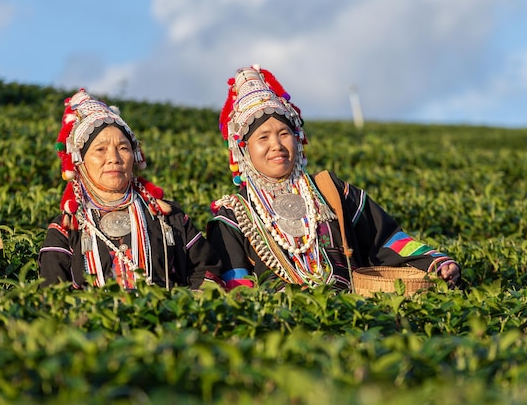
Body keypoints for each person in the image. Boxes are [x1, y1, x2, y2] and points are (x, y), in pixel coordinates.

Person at [207, 65, 461, 291]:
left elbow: (387, 240)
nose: (277, 145)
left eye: (284, 134)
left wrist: (436, 263)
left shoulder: (331, 190)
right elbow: (237, 289)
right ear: (244, 149)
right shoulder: (232, 215)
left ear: (297, 139)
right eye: (263, 137)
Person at [39, 89, 222, 290]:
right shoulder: (65, 229)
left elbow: (207, 270)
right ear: (80, 162)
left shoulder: (168, 217)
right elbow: (51, 295)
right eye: (100, 150)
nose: (114, 158)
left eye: (123, 148)